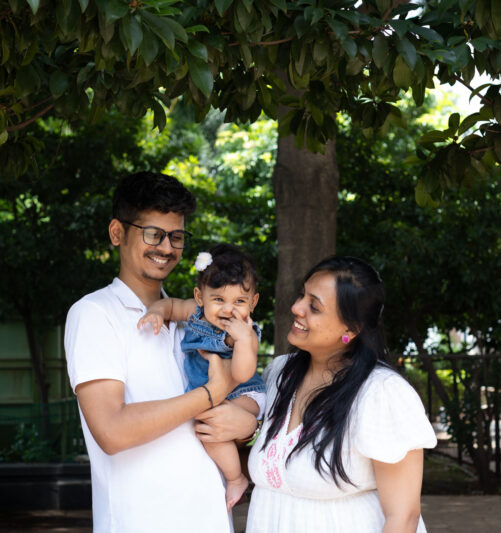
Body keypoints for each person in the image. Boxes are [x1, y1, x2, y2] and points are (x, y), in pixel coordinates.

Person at [64, 171, 259, 533]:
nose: (167, 248)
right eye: (153, 234)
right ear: (117, 233)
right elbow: (112, 431)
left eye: (177, 237)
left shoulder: (199, 319)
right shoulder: (94, 313)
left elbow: (238, 399)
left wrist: (248, 423)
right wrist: (210, 394)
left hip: (212, 520)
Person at [246, 256, 437, 533]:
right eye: (302, 295)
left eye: (314, 306)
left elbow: (403, 517)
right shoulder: (279, 373)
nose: (296, 308)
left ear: (351, 329)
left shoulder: (381, 392)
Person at [138, 243, 266, 510]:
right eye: (218, 299)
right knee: (207, 427)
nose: (228, 310)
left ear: (253, 302)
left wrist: (243, 342)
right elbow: (171, 305)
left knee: (211, 426)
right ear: (200, 297)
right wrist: (157, 311)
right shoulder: (194, 313)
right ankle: (233, 475)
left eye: (239, 301)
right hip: (211, 395)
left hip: (244, 393)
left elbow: (242, 374)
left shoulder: (244, 332)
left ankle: (235, 479)